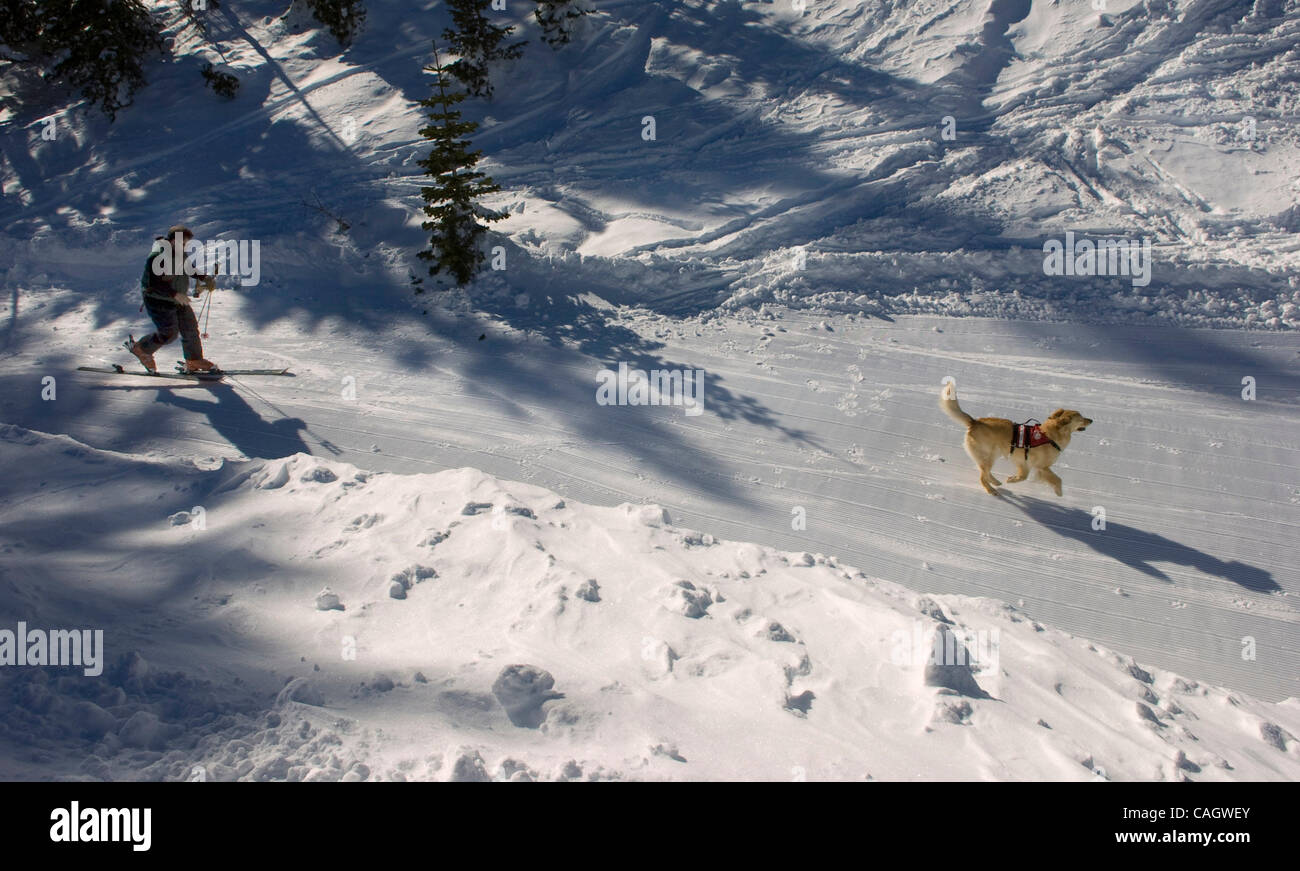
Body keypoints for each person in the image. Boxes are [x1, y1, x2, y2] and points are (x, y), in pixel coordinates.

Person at [127, 225, 217, 373]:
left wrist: (204, 278)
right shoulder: (157, 256)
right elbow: (154, 284)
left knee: (190, 328)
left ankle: (194, 360)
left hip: (177, 299)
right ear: (173, 240)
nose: (185, 246)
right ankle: (141, 349)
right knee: (168, 333)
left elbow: (189, 269)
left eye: (186, 243)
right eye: (182, 243)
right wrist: (175, 294)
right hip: (157, 300)